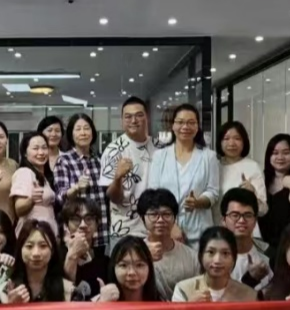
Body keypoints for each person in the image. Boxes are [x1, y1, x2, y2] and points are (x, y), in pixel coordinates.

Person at [147, 103, 220, 244]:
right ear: (173, 125)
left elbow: (213, 192)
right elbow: (154, 195)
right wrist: (171, 225)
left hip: (200, 233)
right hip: (167, 232)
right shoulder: (160, 156)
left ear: (197, 127)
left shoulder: (209, 156)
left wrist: (198, 202)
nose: (185, 127)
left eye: (191, 122)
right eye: (180, 122)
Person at [100, 97, 157, 239]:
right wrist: (118, 177)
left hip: (158, 227)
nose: (134, 120)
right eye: (128, 117)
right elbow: (114, 198)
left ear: (147, 118)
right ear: (122, 120)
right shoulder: (113, 150)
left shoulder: (160, 147)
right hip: (125, 230)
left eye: (139, 115)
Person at [54, 113, 108, 249]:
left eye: (86, 128)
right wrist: (77, 187)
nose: (83, 133)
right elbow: (60, 197)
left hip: (102, 229)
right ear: (71, 134)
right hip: (78, 230)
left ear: (92, 132)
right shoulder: (64, 160)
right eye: (78, 129)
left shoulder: (100, 159)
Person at [172, 226, 259, 303]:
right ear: (201, 256)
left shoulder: (249, 296)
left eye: (225, 253)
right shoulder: (183, 289)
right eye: (211, 252)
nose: (217, 260)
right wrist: (189, 306)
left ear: (234, 258)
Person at [138, 189, 199, 297]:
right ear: (143, 218)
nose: (160, 220)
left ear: (174, 218)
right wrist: (144, 258)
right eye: (153, 214)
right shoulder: (135, 253)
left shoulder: (191, 256)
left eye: (166, 214)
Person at [215, 121, 268, 234]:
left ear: (244, 142)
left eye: (237, 138)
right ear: (220, 142)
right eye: (226, 138)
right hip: (218, 231)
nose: (231, 143)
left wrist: (252, 193)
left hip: (245, 231)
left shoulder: (252, 167)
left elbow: (263, 210)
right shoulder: (213, 166)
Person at [7, 220, 74, 303]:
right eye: (29, 246)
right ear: (20, 250)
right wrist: (11, 305)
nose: (36, 253)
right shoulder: (7, 289)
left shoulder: (68, 290)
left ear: (52, 250)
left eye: (43, 246)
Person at [222, 188, 272, 294]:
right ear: (223, 220)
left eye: (248, 215)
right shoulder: (214, 258)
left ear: (255, 220)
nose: (241, 220)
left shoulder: (269, 255)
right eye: (235, 215)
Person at [61, 198, 109, 300]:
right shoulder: (56, 255)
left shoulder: (105, 260)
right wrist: (72, 255)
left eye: (89, 219)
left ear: (97, 224)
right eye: (76, 219)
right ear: (66, 225)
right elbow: (62, 294)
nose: (83, 225)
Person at [11, 132, 59, 235]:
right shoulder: (24, 172)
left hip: (47, 232)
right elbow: (19, 209)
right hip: (32, 234)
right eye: (35, 148)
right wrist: (32, 199)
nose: (41, 152)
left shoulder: (45, 176)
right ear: (25, 153)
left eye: (44, 148)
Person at [92, 237, 166, 303]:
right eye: (124, 265)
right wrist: (102, 304)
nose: (132, 272)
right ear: (113, 267)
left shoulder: (161, 303)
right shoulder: (99, 302)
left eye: (139, 265)